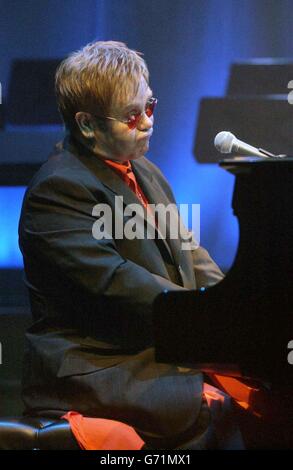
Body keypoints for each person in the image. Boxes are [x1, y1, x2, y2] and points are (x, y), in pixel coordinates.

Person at [18, 41, 240, 449]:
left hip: (148, 352)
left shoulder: (146, 171)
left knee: (264, 392)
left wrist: (237, 305)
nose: (148, 123)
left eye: (149, 107)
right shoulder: (59, 189)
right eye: (132, 116)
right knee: (228, 408)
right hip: (100, 366)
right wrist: (211, 316)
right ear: (86, 124)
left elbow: (190, 253)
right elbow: (119, 283)